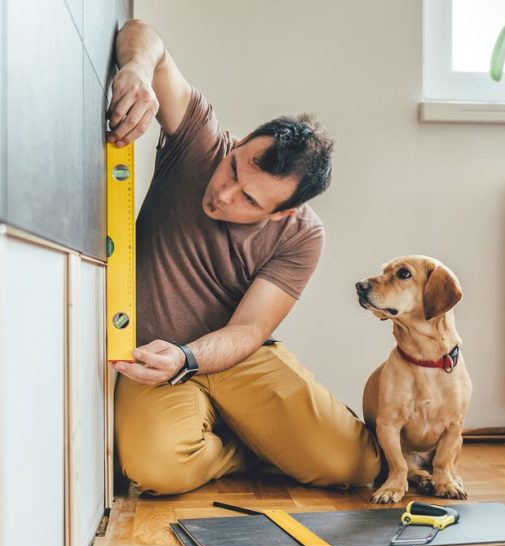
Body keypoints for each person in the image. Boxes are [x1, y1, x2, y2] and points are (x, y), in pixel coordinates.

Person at [107, 19, 380, 495]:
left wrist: (190, 356)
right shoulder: (200, 143)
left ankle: (259, 436)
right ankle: (247, 448)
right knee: (156, 470)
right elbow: (144, 35)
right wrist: (136, 67)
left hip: (232, 355)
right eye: (234, 168)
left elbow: (251, 329)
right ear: (238, 145)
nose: (224, 194)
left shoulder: (302, 235)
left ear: (282, 213)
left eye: (250, 201)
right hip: (151, 357)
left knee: (354, 466)